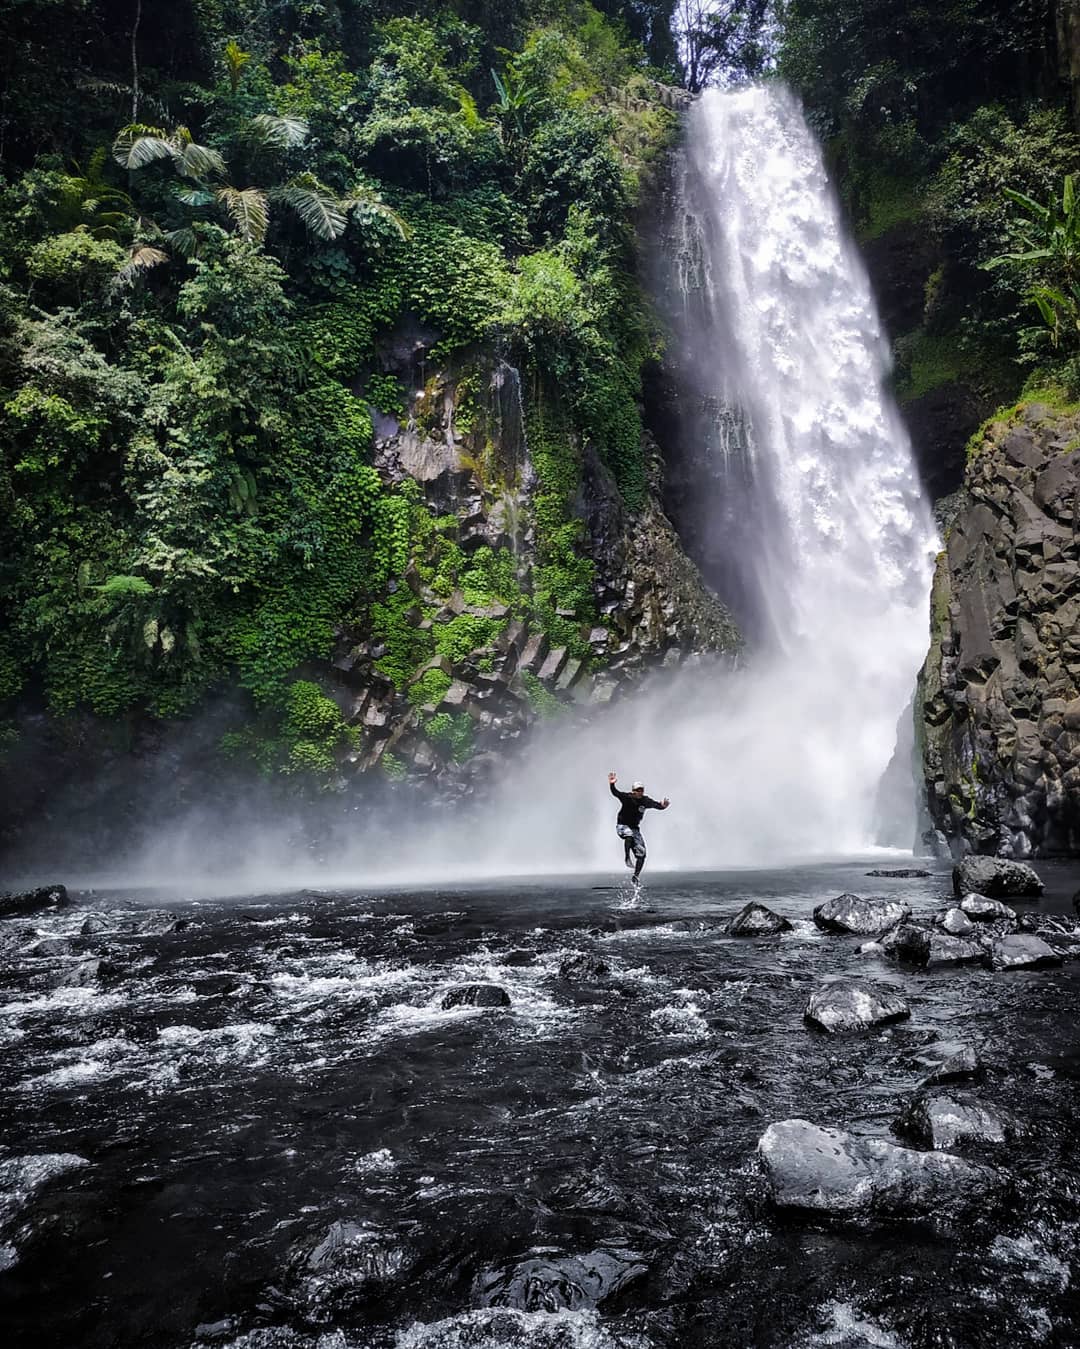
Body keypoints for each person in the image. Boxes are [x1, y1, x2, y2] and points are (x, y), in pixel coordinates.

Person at [607, 771, 670, 883]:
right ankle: (627, 857)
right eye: (637, 790)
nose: (639, 792)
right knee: (629, 835)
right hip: (622, 825)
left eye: (641, 790)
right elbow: (615, 793)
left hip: (635, 828)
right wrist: (612, 784)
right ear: (633, 791)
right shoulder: (627, 797)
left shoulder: (645, 800)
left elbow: (656, 805)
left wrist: (663, 806)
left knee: (642, 854)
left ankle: (635, 877)